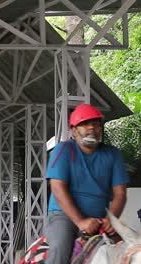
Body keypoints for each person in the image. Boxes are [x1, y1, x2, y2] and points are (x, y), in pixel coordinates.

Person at [44, 104, 129, 264]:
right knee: (60, 250)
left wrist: (111, 219)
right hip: (64, 217)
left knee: (130, 251)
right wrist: (80, 221)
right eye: (84, 124)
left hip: (100, 218)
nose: (91, 127)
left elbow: (120, 193)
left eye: (96, 123)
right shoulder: (63, 150)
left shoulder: (113, 154)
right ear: (74, 130)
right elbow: (57, 188)